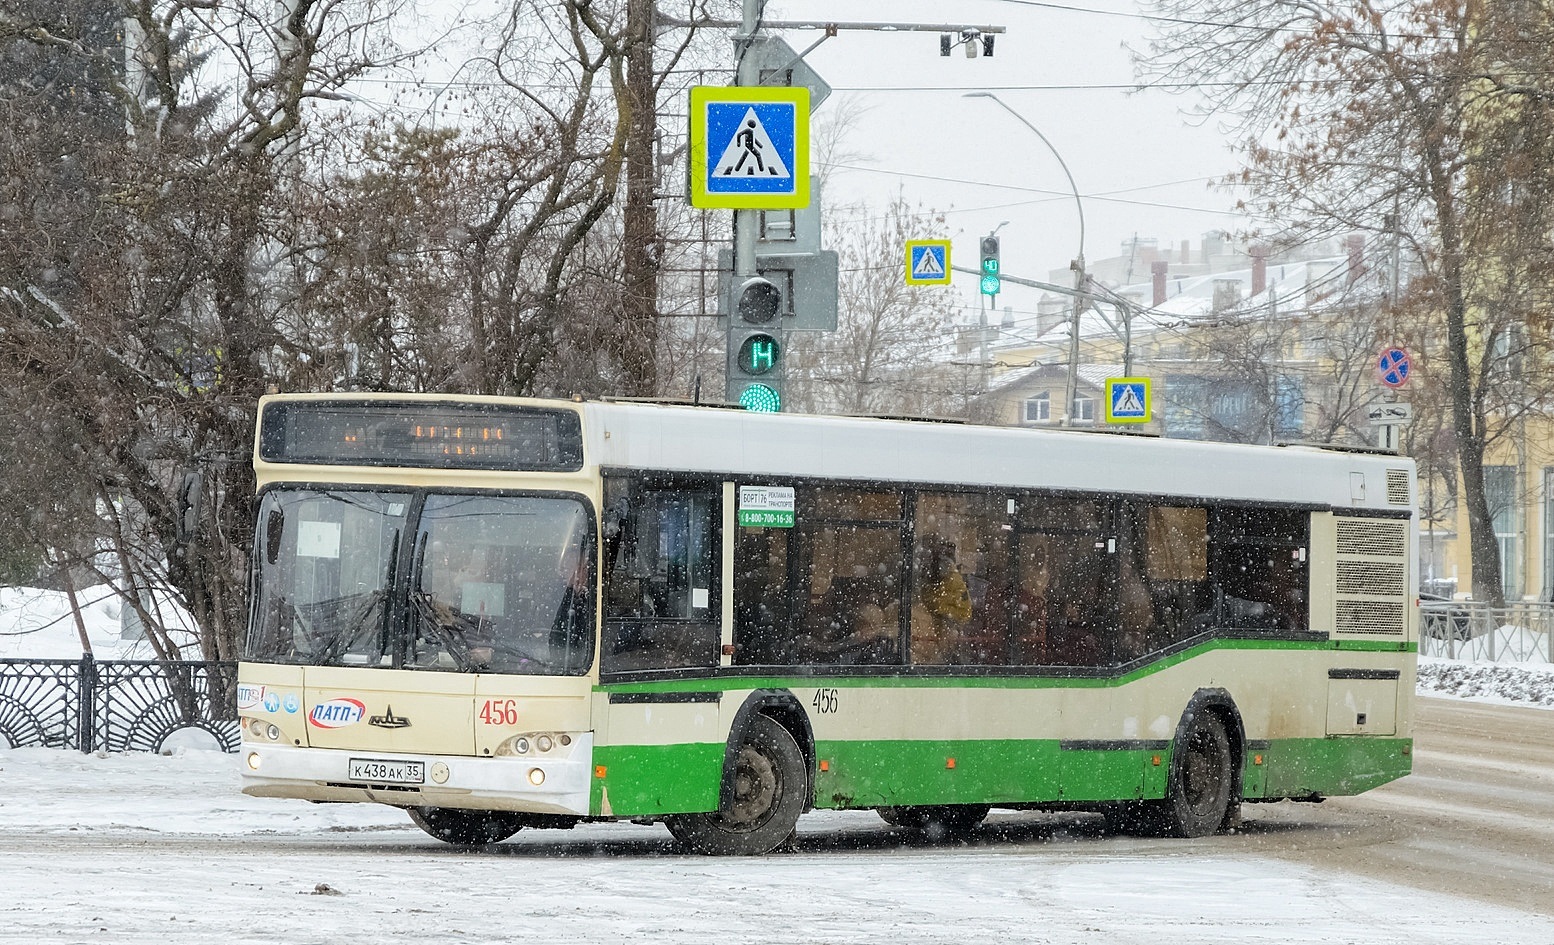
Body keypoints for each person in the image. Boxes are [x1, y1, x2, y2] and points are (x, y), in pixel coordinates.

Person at [914, 538, 971, 664]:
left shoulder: (954, 581)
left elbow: (965, 613)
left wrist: (939, 609)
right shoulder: (929, 581)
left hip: (945, 635)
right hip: (930, 635)